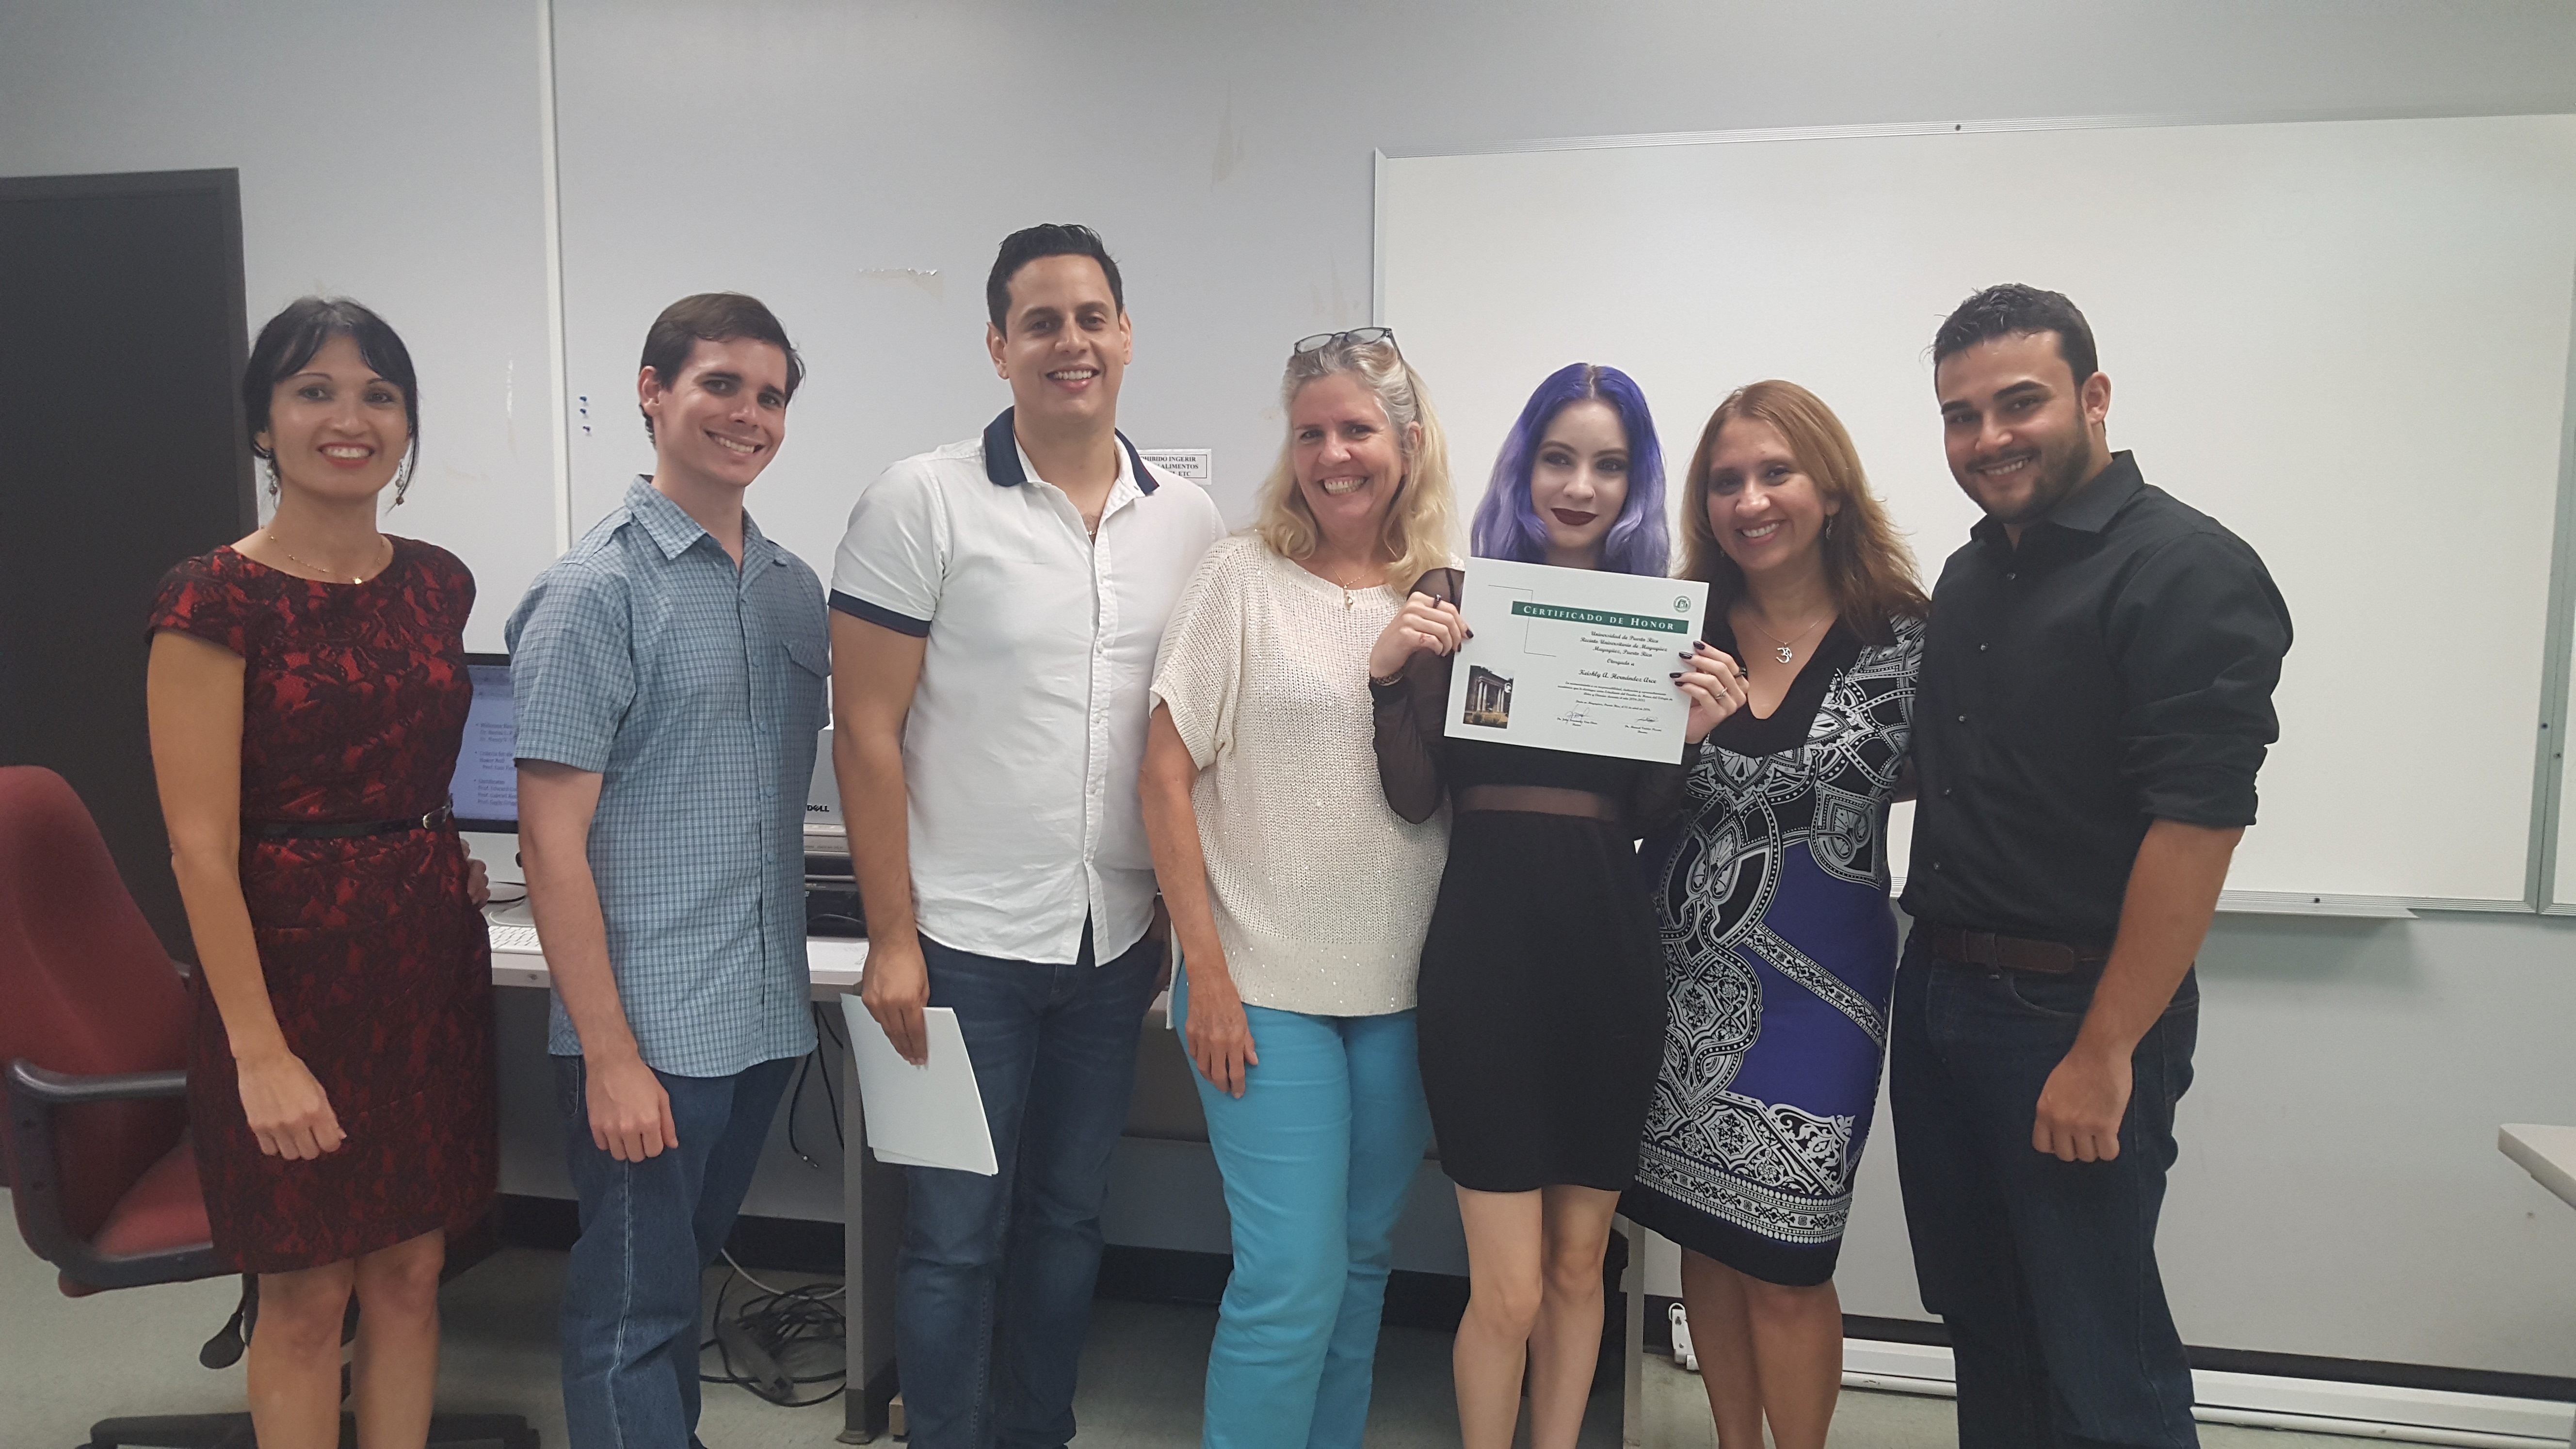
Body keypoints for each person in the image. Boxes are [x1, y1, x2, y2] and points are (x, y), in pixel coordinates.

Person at [831, 223, 1226, 1449]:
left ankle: (1031, 1432)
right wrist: (890, 939)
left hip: (1111, 951)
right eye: (1042, 322)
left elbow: (1194, 737)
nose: (1072, 342)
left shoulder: (1190, 520)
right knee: (954, 1237)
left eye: (1092, 317)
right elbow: (864, 734)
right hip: (959, 946)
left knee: (1066, 1223)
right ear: (999, 346)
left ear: (1125, 335)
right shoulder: (922, 500)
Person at [1893, 284, 2292, 1449]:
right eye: (1959, 416)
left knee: (2100, 1358)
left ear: (2094, 396)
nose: (1987, 439)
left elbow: (2197, 827)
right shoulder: (1972, 576)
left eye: (2018, 404)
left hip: (2074, 1010)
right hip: (1944, 996)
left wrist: (2105, 1050)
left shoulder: (2185, 571)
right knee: (1984, 1325)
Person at [1370, 362, 1742, 1449]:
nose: (1581, 486)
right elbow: (1412, 798)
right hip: (1482, 971)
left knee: (1583, 1268)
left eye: (1609, 465)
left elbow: (1643, 812)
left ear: (1635, 484)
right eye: (1559, 458)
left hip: (1609, 971)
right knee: (1510, 1289)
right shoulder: (1454, 600)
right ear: (1524, 468)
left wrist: (1690, 736)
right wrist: (1392, 674)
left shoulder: (1662, 626)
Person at [146, 296, 494, 1449]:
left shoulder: (440, 584)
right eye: (314, 391)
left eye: (378, 394)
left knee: (410, 1273)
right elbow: (200, 844)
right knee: (306, 1297)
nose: (350, 418)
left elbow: (403, 768)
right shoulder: (213, 599)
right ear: (263, 426)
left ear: (404, 427)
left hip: (424, 967)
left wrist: (435, 860)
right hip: (286, 984)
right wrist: (258, 1054)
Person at [505, 292, 827, 1449]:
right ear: (652, 391)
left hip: (756, 1015)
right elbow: (549, 843)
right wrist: (608, 1056)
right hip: (644, 1030)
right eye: (720, 385)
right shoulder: (597, 591)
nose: (748, 414)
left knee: (678, 1283)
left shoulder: (793, 589)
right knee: (631, 1309)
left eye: (770, 395)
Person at [1138, 328, 1457, 1449]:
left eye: (1358, 430)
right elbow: (1164, 780)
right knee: (1287, 1284)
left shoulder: (1449, 596)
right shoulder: (1239, 577)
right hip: (1261, 989)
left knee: (1362, 1269)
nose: (1334, 454)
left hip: (1402, 993)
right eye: (1311, 431)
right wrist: (1204, 978)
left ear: (1405, 445)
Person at [1618, 381, 1929, 1449]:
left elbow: (1987, 800)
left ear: (1830, 489)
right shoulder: (1675, 628)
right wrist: (1685, 740)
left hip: (1826, 996)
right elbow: (1624, 799)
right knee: (1705, 1239)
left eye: (1775, 472)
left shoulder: (1905, 641)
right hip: (1677, 977)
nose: (1750, 499)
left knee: (1790, 1264)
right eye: (1725, 481)